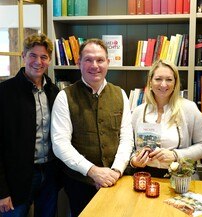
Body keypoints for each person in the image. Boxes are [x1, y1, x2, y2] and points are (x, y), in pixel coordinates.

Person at [51, 38, 134, 216]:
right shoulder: (65, 97)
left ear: (108, 63)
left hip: (116, 180)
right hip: (79, 184)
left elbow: (127, 138)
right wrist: (93, 172)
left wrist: (115, 171)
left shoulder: (120, 94)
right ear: (79, 63)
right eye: (88, 60)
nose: (94, 65)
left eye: (100, 60)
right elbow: (60, 144)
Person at [0, 33, 61, 216]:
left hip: (49, 174)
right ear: (23, 56)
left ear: (49, 60)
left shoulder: (54, 92)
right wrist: (2, 191)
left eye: (43, 57)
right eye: (33, 55)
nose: (38, 61)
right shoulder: (4, 92)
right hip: (16, 179)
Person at [130, 59, 202, 178]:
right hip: (144, 178)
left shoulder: (189, 108)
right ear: (150, 82)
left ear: (175, 83)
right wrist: (134, 160)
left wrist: (175, 155)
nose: (163, 84)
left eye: (169, 79)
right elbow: (129, 146)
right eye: (158, 79)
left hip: (179, 178)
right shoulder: (138, 111)